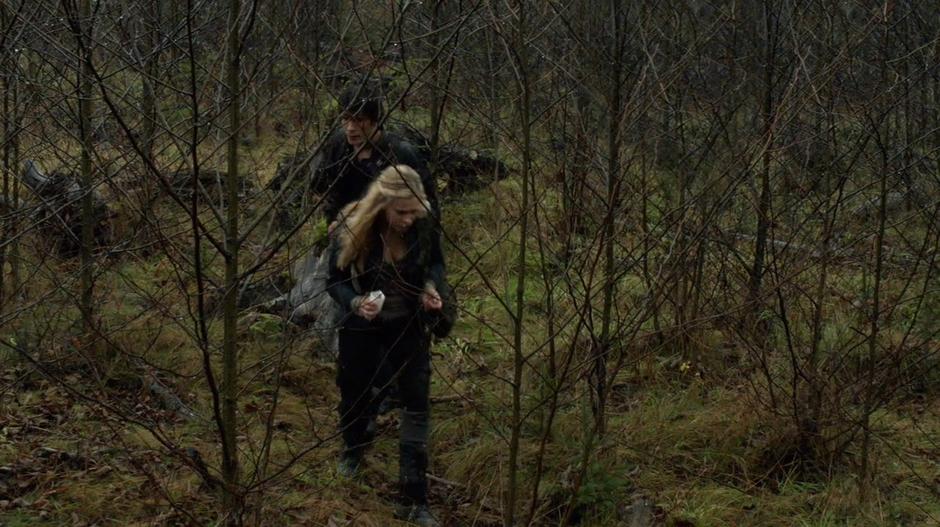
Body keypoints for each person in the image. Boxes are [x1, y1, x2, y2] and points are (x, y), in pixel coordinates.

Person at [326, 164, 445, 527]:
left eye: (414, 211)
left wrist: (430, 288)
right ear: (383, 204)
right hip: (361, 327)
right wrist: (353, 303)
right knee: (356, 390)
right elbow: (334, 281)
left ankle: (413, 496)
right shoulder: (352, 226)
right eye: (401, 212)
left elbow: (437, 264)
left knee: (416, 400)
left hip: (407, 325)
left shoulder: (423, 227)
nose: (409, 219)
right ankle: (354, 450)